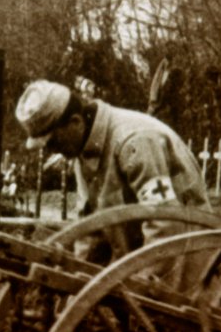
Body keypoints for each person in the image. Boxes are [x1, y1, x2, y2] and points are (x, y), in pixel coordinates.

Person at [15, 79, 210, 259]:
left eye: (53, 141)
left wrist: (137, 285)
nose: (51, 150)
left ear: (75, 122)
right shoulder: (83, 153)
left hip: (186, 266)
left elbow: (166, 222)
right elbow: (91, 228)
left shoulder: (135, 144)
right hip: (140, 269)